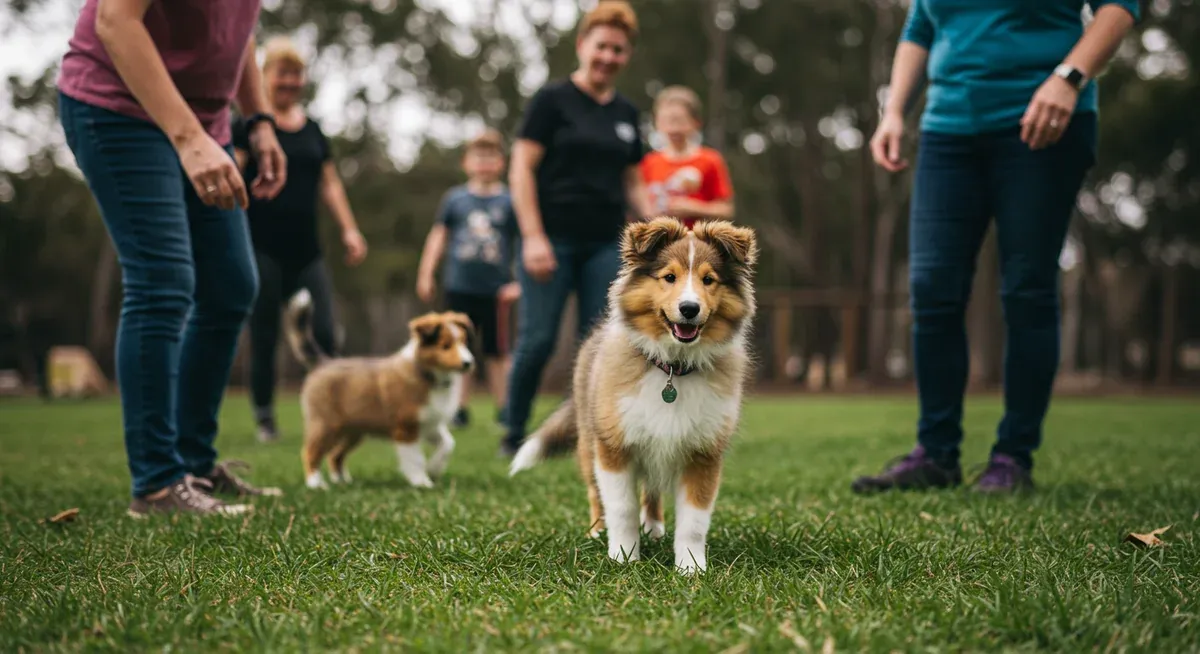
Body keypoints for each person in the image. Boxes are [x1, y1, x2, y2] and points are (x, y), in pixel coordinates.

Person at [854, 0, 1140, 494]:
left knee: (1027, 288)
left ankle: (1013, 457)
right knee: (932, 289)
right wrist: (895, 111)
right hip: (948, 129)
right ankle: (936, 453)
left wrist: (1069, 77)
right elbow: (921, 25)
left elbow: (1120, 6)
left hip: (1042, 121)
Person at [57, 0, 286, 517]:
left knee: (230, 287)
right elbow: (115, 19)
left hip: (208, 122)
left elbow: (237, 31)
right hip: (119, 109)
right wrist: (186, 137)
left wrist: (261, 121)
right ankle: (158, 483)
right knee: (161, 283)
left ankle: (194, 465)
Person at [501, 0, 654, 457]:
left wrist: (657, 230)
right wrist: (532, 236)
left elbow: (634, 180)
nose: (609, 56)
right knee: (538, 339)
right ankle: (513, 431)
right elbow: (521, 170)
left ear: (627, 56)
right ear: (583, 45)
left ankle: (583, 432)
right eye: (602, 46)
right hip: (551, 240)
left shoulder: (626, 114)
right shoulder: (552, 101)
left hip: (606, 243)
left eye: (619, 50)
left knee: (603, 341)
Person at [231, 37, 368, 444]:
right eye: (282, 73)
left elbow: (330, 184)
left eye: (296, 74)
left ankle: (336, 413)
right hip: (261, 248)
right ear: (264, 77)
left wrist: (350, 229)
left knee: (326, 333)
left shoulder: (313, 130)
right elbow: (234, 177)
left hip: (307, 252)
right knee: (265, 334)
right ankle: (265, 418)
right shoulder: (248, 127)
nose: (290, 82)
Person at [415, 128, 520, 429]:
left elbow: (524, 242)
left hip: (497, 292)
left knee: (497, 352)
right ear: (466, 162)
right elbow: (438, 237)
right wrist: (426, 273)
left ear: (501, 162)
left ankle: (504, 410)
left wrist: (519, 283)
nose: (484, 163)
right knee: (460, 348)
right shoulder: (455, 199)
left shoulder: (510, 201)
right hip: (459, 287)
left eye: (491, 157)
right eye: (478, 157)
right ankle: (458, 409)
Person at [640, 85, 735, 229]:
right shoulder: (648, 163)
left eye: (679, 120)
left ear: (696, 122)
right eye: (667, 120)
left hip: (698, 243)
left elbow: (727, 209)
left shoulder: (710, 160)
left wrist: (694, 208)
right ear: (657, 122)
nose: (673, 128)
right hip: (659, 244)